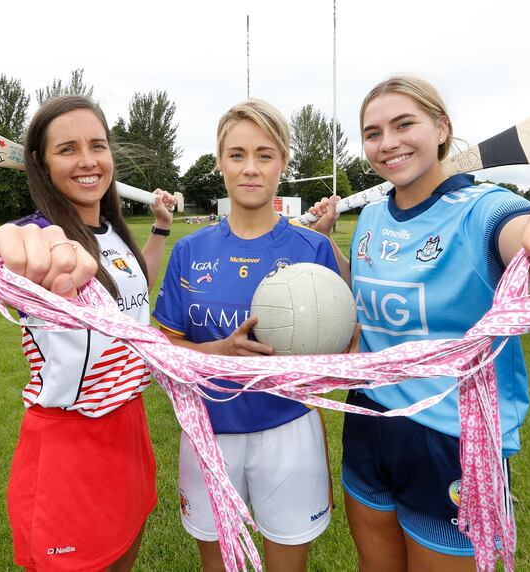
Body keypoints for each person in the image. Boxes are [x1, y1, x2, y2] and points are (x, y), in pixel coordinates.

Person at [308, 75, 530, 572]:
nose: (387, 142)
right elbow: (361, 297)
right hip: (370, 416)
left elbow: (520, 233)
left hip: (452, 435)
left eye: (404, 124)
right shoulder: (371, 219)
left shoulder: (483, 209)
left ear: (442, 128)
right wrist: (326, 244)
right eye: (373, 132)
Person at [0, 95, 175, 572]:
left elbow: (134, 293)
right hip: (69, 443)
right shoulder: (38, 236)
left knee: (122, 559)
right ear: (41, 162)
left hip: (129, 426)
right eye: (67, 149)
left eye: (97, 145)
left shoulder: (113, 230)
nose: (88, 160)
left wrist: (159, 230)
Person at [152, 99, 340, 572]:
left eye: (265, 154)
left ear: (283, 162)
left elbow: (339, 348)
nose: (250, 168)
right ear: (220, 162)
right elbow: (164, 351)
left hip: (289, 429)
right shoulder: (190, 250)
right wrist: (218, 353)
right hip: (208, 432)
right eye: (237, 155)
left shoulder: (313, 248)